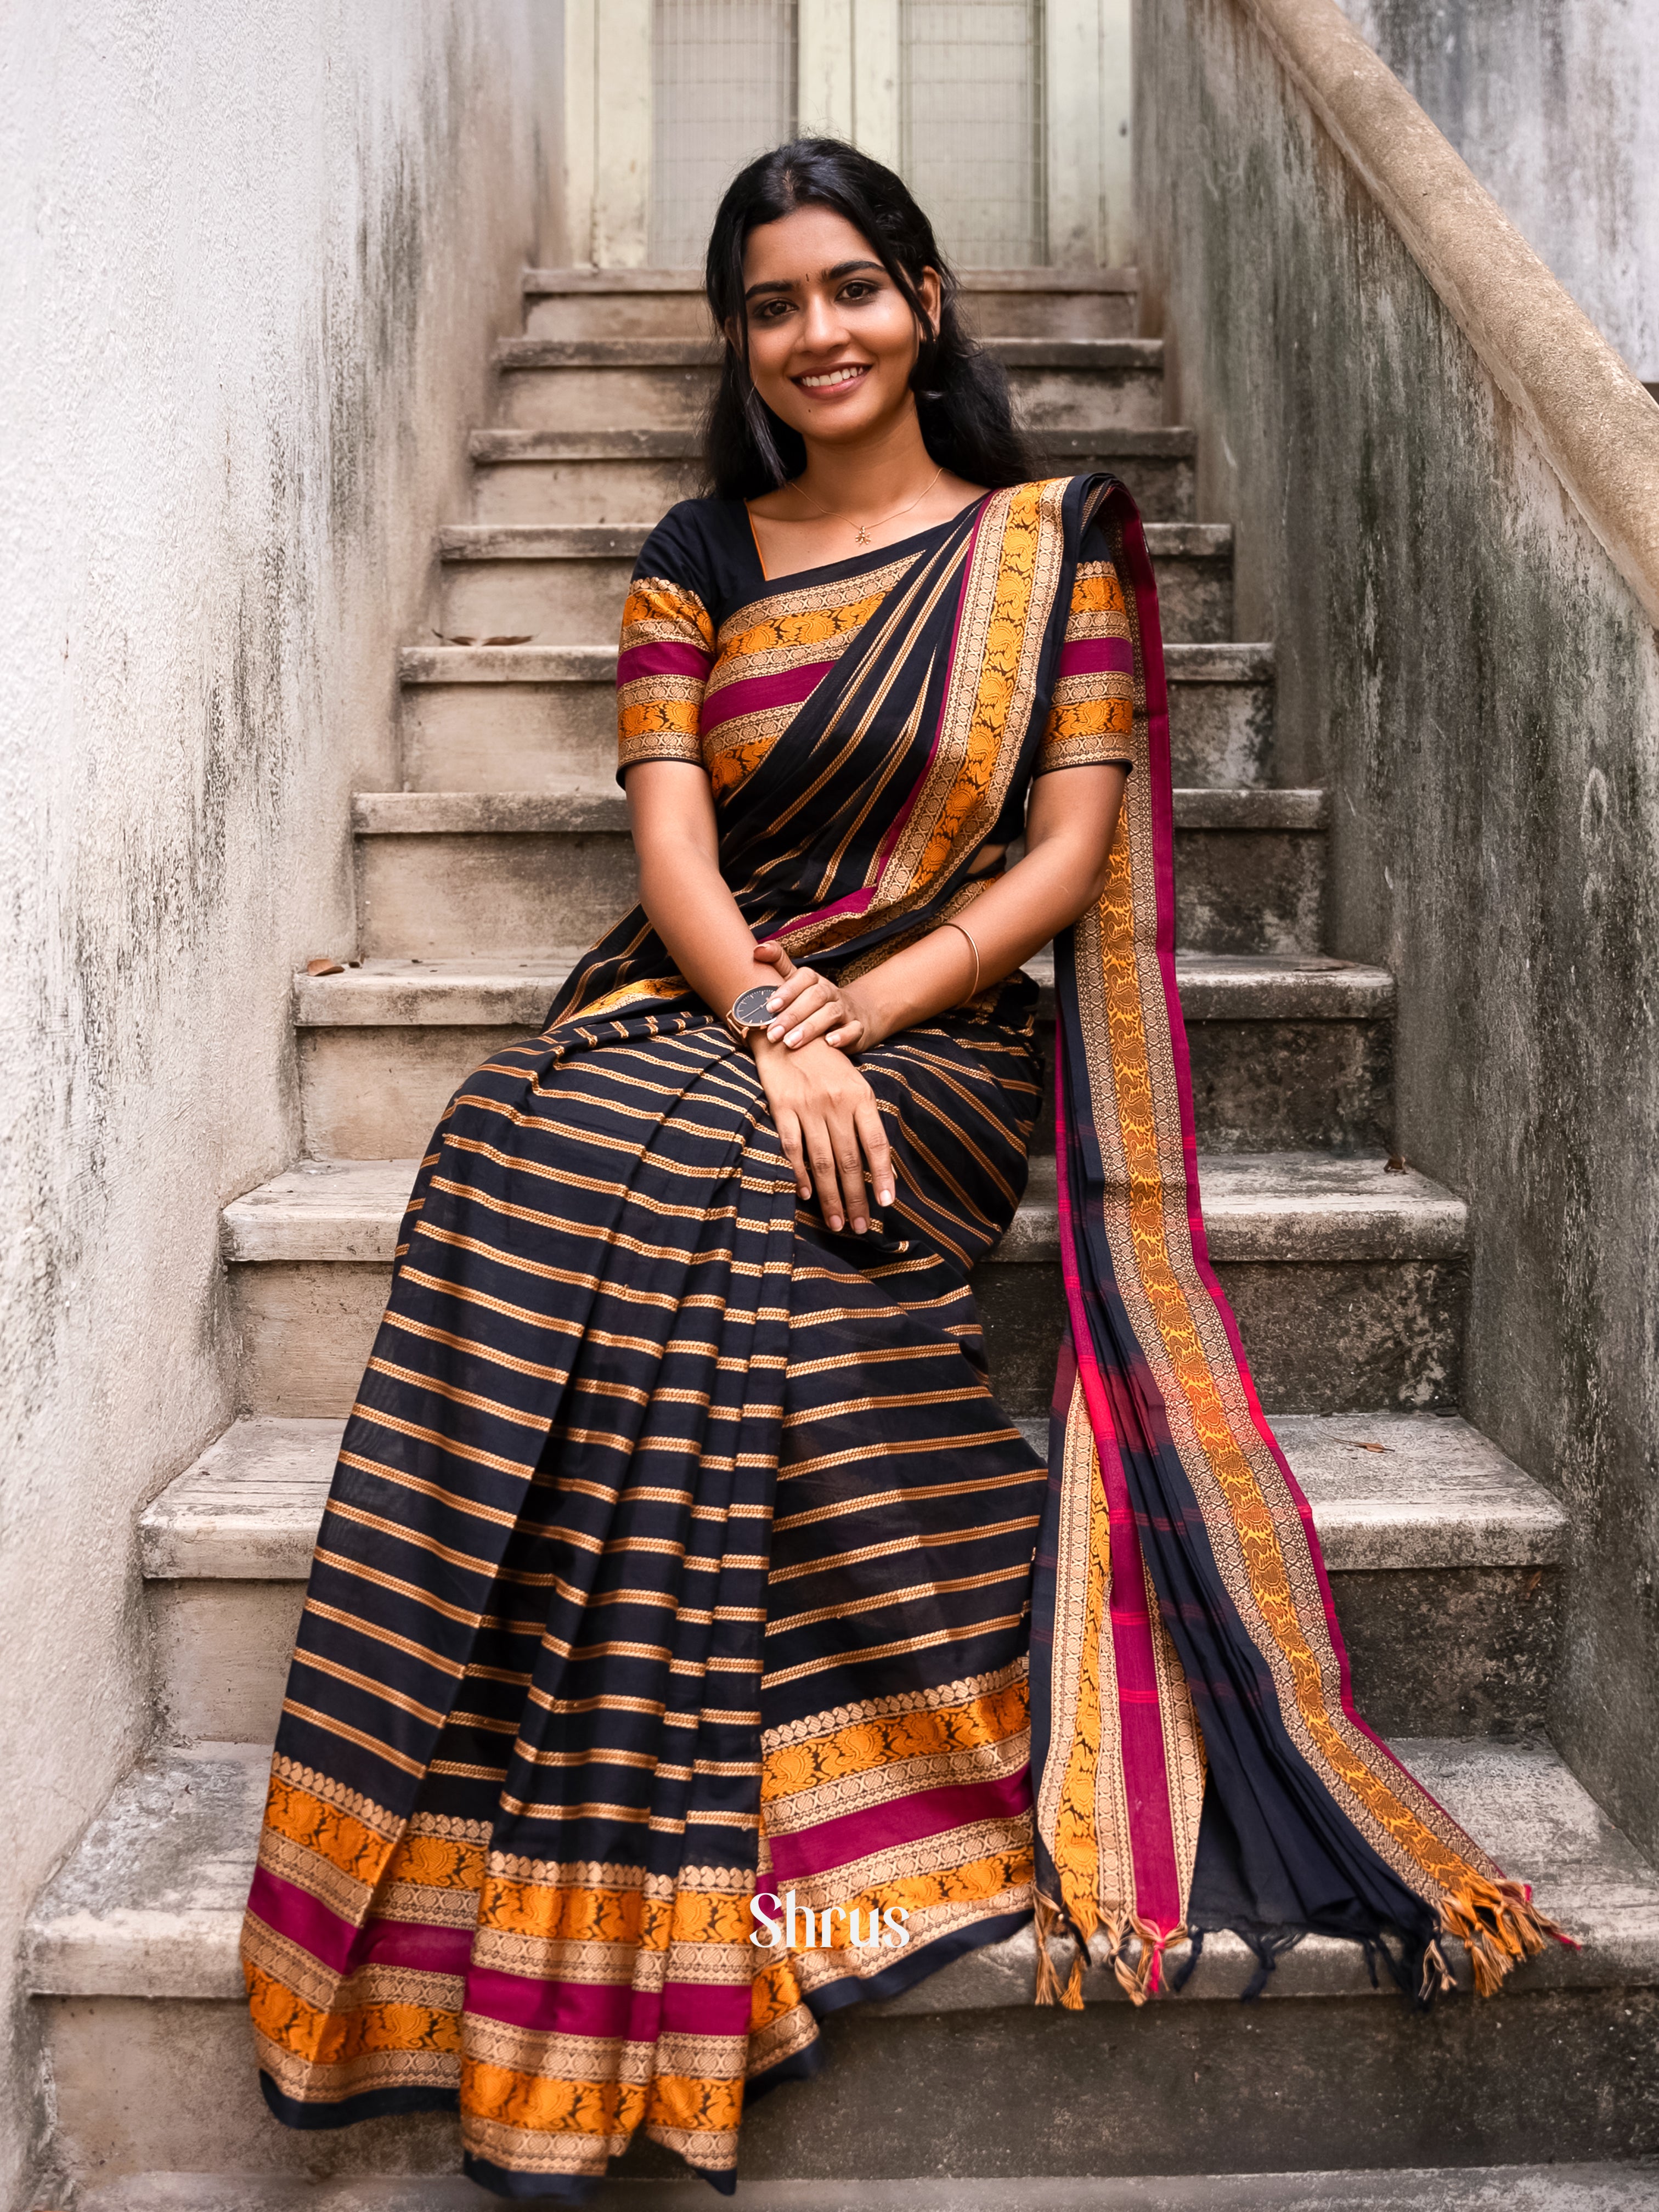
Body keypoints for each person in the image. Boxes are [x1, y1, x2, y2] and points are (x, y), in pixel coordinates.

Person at [240, 139, 1559, 2203]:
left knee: (670, 1173)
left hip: (938, 1047)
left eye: (850, 288)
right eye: (772, 305)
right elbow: (676, 847)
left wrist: (866, 1015)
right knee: (522, 1131)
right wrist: (773, 1021)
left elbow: (1063, 857)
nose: (816, 333)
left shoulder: (1054, 553)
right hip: (714, 1002)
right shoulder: (697, 549)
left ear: (924, 301)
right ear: (739, 342)